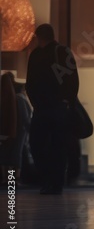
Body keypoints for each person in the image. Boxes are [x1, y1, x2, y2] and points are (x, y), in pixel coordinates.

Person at [26, 24, 79, 195]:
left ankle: (48, 180)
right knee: (58, 146)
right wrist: (66, 100)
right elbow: (73, 79)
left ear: (38, 37)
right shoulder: (63, 52)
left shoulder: (35, 55)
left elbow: (30, 83)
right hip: (59, 108)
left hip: (42, 108)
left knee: (37, 144)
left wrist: (35, 103)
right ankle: (56, 183)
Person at [0, 73, 18, 171]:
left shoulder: (4, 95)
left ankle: (4, 178)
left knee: (3, 155)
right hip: (10, 131)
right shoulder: (12, 96)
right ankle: (10, 181)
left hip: (3, 130)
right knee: (10, 156)